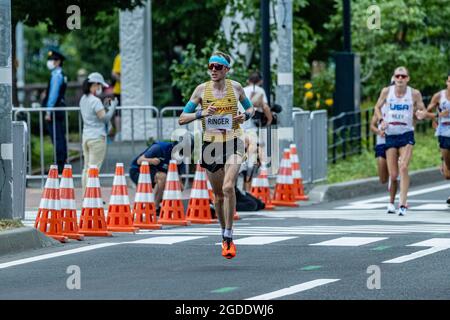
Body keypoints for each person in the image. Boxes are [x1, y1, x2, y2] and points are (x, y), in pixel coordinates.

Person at [178, 51, 255, 259]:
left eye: (218, 67)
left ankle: (230, 236)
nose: (213, 70)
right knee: (218, 195)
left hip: (234, 141)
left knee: (229, 186)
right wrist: (201, 113)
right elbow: (182, 118)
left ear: (226, 70)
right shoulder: (201, 90)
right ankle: (223, 233)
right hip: (211, 145)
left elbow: (251, 109)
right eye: (210, 66)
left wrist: (244, 115)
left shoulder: (236, 88)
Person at [374, 66, 426, 216]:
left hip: (406, 134)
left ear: (408, 78)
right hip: (390, 135)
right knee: (393, 175)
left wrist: (420, 114)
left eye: (403, 76)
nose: (400, 79)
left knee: (403, 166)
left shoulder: (414, 93)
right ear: (394, 77)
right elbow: (377, 107)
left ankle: (402, 204)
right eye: (398, 76)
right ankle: (391, 202)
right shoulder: (386, 91)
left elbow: (421, 109)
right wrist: (382, 120)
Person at [129, 134, 191, 215]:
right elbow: (139, 160)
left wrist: (178, 186)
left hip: (155, 173)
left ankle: (157, 202)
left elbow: (178, 180)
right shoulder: (159, 148)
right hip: (138, 171)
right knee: (163, 177)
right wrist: (152, 160)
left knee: (178, 186)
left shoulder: (180, 159)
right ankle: (155, 207)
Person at [80, 72, 117, 190]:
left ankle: (86, 196)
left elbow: (96, 114)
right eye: (99, 85)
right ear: (95, 84)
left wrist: (105, 106)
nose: (100, 88)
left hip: (86, 136)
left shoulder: (83, 99)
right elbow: (105, 118)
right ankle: (91, 198)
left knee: (87, 168)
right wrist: (113, 107)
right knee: (94, 168)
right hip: (97, 138)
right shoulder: (94, 101)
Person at [418, 73, 450, 205]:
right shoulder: (439, 96)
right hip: (444, 132)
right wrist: (437, 115)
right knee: (448, 174)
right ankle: (444, 161)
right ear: (447, 82)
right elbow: (425, 113)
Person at [241, 71, 272, 192]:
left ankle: (242, 188)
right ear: (260, 81)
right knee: (255, 158)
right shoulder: (260, 91)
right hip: (251, 130)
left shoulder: (241, 90)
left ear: (248, 80)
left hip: (238, 129)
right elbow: (265, 107)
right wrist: (269, 120)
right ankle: (248, 189)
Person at [370, 77, 397, 214]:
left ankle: (395, 199)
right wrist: (379, 131)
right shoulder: (382, 105)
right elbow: (372, 125)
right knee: (382, 177)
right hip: (381, 142)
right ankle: (390, 182)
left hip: (396, 141)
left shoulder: (404, 104)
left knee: (395, 172)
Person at [42, 50, 68, 173]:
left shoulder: (57, 75)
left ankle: (59, 165)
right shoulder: (59, 74)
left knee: (57, 138)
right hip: (58, 110)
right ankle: (61, 164)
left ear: (58, 62)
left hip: (54, 111)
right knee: (59, 136)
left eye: (52, 60)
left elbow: (53, 95)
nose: (50, 62)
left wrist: (48, 111)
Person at [111, 53, 122, 141]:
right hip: (119, 91)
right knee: (118, 113)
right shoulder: (119, 57)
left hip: (122, 91)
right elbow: (114, 73)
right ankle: (119, 134)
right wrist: (124, 81)